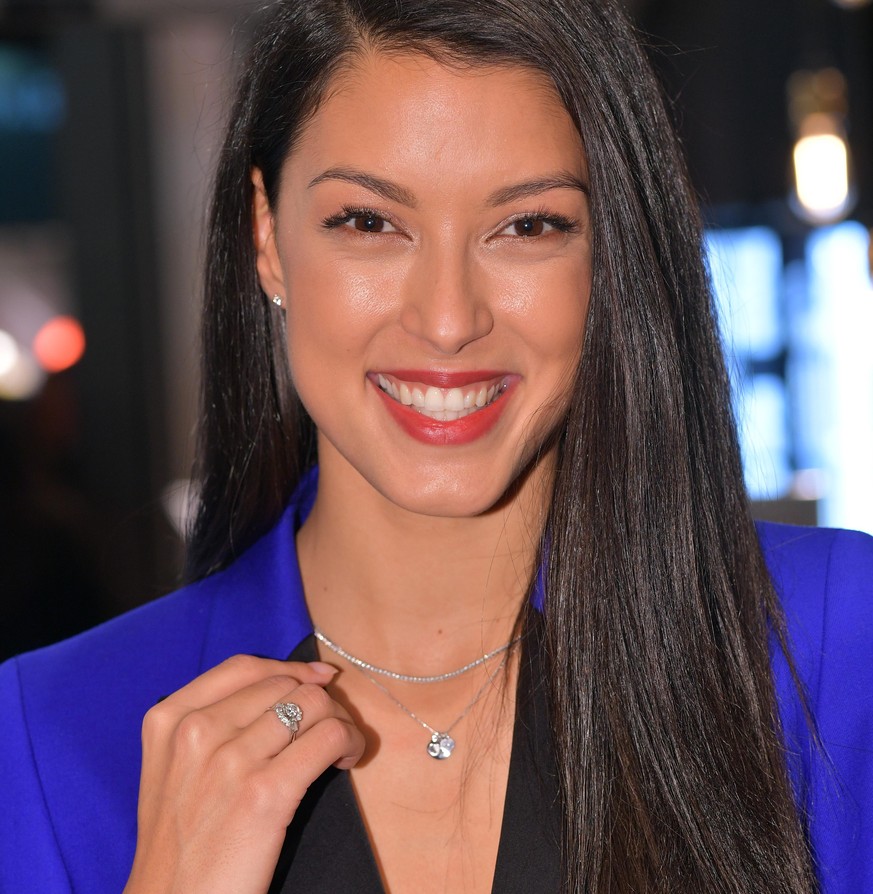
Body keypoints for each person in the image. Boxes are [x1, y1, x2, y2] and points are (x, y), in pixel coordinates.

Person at [2, 0, 872, 891]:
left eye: (528, 225)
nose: (448, 321)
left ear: (612, 251)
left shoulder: (835, 644)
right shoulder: (53, 731)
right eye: (368, 223)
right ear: (265, 236)